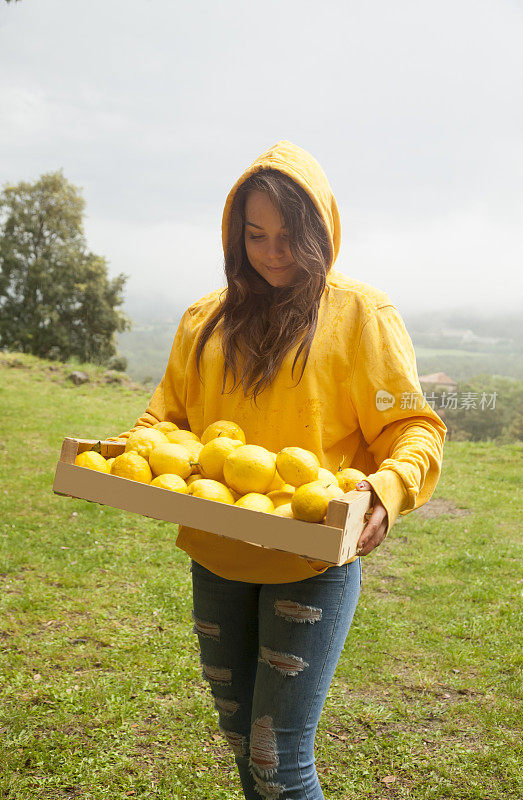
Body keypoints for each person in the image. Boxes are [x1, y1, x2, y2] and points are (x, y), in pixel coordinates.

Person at [108, 140, 447, 799]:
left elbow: (414, 427)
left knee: (277, 758)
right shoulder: (204, 320)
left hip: (310, 560)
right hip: (216, 556)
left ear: (321, 228)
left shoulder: (360, 316)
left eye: (289, 236)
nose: (271, 253)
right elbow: (165, 419)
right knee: (241, 743)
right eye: (255, 235)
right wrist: (117, 455)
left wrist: (388, 489)